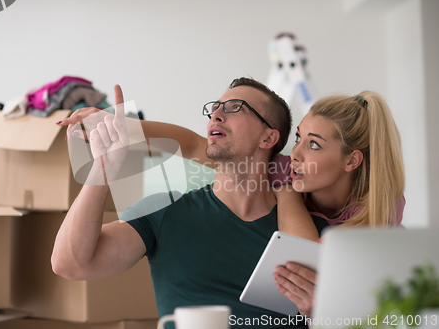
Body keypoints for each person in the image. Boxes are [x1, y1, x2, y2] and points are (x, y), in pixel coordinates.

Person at [52, 78, 329, 328]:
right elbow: (70, 264)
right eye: (214, 108)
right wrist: (102, 171)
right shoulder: (162, 211)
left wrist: (321, 313)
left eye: (235, 108)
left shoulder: (312, 231)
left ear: (269, 137)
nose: (216, 115)